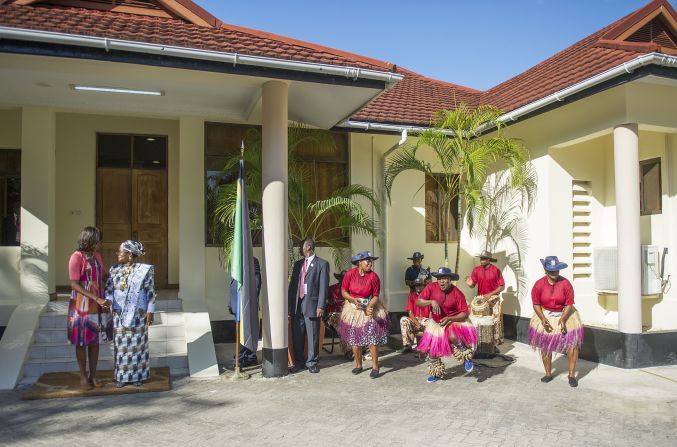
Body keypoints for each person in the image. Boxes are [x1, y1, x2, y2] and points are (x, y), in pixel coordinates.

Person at [105, 240, 156, 388]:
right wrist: (107, 301)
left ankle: (137, 376)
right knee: (121, 347)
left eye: (120, 251)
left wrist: (150, 311)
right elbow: (109, 289)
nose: (117, 254)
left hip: (138, 314)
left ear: (129, 254)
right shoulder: (114, 269)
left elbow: (151, 291)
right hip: (119, 314)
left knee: (137, 345)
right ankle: (121, 377)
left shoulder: (144, 270)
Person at [529, 256, 584, 387]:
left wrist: (563, 319)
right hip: (546, 314)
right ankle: (548, 373)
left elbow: (569, 303)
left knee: (572, 345)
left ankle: (571, 375)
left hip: (566, 313)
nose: (554, 273)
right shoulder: (538, 285)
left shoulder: (566, 284)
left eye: (556, 270)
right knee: (545, 345)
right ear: (545, 270)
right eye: (551, 270)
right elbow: (536, 303)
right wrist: (542, 318)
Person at [67, 226, 111, 390]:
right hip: (81, 306)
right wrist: (96, 298)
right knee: (81, 342)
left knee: (95, 341)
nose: (100, 243)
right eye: (98, 240)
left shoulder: (97, 256)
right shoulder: (76, 257)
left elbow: (105, 276)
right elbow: (74, 284)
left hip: (97, 306)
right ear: (90, 240)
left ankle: (93, 375)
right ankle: (83, 376)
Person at [416, 267, 477, 383]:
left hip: (454, 320)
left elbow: (465, 313)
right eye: (439, 279)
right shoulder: (431, 287)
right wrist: (431, 302)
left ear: (450, 280)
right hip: (436, 323)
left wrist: (450, 318)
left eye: (444, 278)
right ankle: (437, 373)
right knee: (432, 352)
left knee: (453, 336)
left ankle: (466, 357)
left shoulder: (457, 293)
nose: (441, 281)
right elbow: (418, 301)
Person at [339, 251, 390, 378]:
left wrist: (370, 307)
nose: (370, 263)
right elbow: (344, 291)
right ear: (359, 263)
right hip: (353, 309)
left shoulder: (373, 277)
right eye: (367, 261)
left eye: (371, 261)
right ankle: (358, 365)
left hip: (369, 307)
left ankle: (375, 366)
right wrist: (352, 299)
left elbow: (376, 296)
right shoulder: (350, 274)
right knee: (354, 339)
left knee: (372, 338)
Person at [288, 239, 329, 374]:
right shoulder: (298, 264)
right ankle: (299, 362)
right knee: (297, 336)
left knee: (313, 336)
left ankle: (312, 362)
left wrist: (321, 306)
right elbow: (293, 286)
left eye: (301, 246)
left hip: (312, 305)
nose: (299, 248)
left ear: (309, 247)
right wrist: (290, 305)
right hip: (297, 306)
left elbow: (323, 287)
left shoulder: (322, 264)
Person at [465, 250, 505, 345]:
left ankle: (494, 345)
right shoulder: (476, 270)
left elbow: (502, 286)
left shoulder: (495, 270)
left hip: (493, 299)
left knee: (494, 323)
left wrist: (490, 295)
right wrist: (468, 282)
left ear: (489, 259)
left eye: (484, 258)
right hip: (481, 299)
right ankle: (481, 344)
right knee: (481, 323)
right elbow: (472, 285)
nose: (481, 260)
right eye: (481, 258)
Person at [228, 256, 261, 368]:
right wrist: (230, 303)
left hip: (246, 304)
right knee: (240, 332)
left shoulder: (252, 260)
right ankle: (249, 357)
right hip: (236, 304)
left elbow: (257, 282)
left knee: (246, 332)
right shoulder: (234, 259)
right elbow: (232, 283)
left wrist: (251, 302)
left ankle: (241, 358)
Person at [399, 277, 429, 353]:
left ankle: (427, 345)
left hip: (426, 319)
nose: (418, 287)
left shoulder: (428, 295)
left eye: (420, 285)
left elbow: (432, 312)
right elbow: (410, 312)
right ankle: (407, 345)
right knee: (403, 319)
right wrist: (417, 323)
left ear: (423, 286)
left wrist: (429, 320)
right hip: (415, 319)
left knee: (431, 322)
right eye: (416, 285)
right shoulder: (411, 295)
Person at [325, 270, 350, 358]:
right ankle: (348, 351)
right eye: (343, 278)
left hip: (349, 314)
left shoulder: (352, 289)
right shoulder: (332, 288)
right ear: (339, 279)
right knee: (343, 326)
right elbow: (323, 300)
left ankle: (361, 349)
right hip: (334, 314)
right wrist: (329, 301)